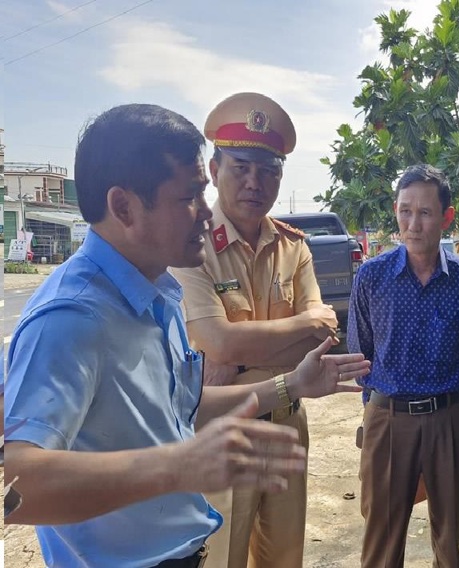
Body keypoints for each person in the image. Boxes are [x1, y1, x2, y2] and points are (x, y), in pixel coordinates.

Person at [2, 103, 370, 568]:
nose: (204, 212)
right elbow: (15, 485)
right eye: (190, 196)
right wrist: (177, 466)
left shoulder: (155, 295)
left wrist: (290, 385)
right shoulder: (72, 316)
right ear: (124, 206)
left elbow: (181, 408)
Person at [169, 92, 340, 568]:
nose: (254, 182)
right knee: (223, 554)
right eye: (241, 167)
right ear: (214, 169)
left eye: (268, 170)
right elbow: (216, 341)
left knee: (284, 556)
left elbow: (319, 342)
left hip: (287, 424)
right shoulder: (191, 245)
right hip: (222, 430)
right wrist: (301, 324)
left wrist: (238, 358)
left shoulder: (293, 247)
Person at [348, 164, 459, 568]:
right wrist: (375, 415)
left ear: (446, 217)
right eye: (405, 211)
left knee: (451, 540)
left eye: (425, 212)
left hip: (449, 418)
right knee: (382, 541)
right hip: (388, 419)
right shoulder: (372, 278)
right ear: (395, 212)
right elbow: (363, 353)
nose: (413, 223)